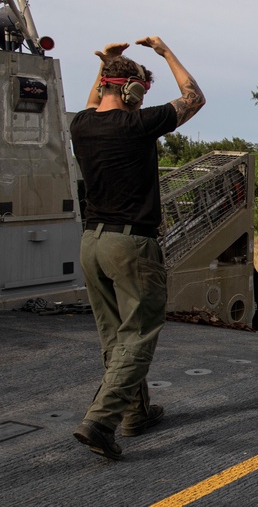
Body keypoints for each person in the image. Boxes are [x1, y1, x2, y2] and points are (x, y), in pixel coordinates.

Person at [70, 37, 205, 460]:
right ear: (131, 91)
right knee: (139, 336)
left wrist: (108, 61)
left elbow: (95, 99)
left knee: (115, 335)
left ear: (104, 85)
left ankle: (136, 413)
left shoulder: (81, 124)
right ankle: (100, 421)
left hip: (91, 243)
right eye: (140, 91)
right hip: (130, 244)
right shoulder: (139, 124)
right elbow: (194, 97)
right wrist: (165, 52)